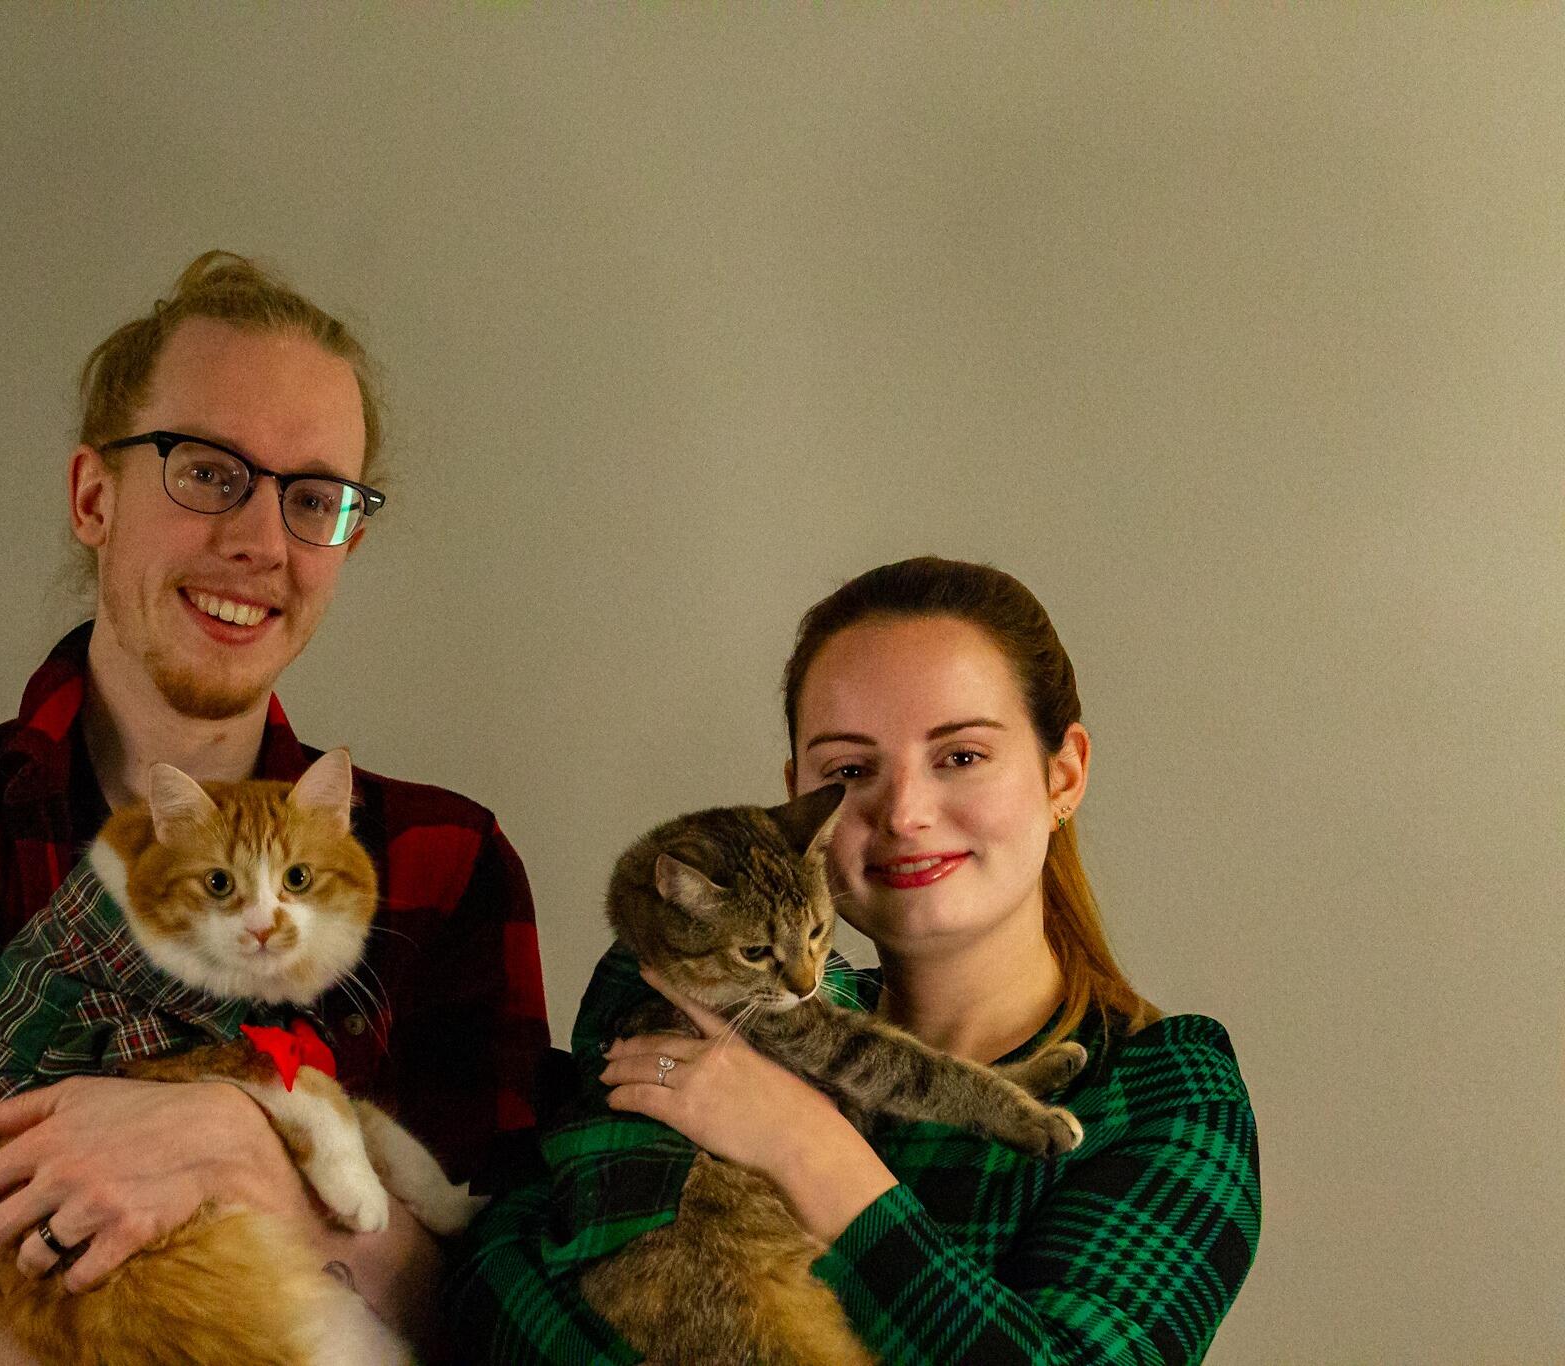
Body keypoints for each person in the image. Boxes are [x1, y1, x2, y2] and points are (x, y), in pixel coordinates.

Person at [0, 252, 552, 1365]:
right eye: (208, 471)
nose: (261, 542)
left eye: (313, 498)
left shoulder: (442, 861)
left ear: (346, 541)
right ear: (93, 496)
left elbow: (521, 1318)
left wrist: (242, 1151)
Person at [447, 556, 1260, 1364]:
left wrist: (809, 1149)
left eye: (961, 756)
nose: (903, 813)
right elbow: (487, 1290)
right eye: (850, 770)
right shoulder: (693, 998)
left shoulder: (1166, 1093)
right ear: (800, 799)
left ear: (1064, 772)